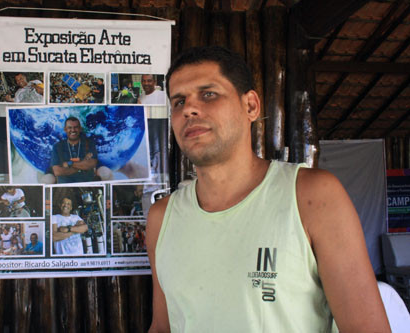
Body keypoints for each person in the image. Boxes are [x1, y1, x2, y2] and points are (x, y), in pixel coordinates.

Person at [146, 46, 390, 332]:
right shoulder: (162, 218)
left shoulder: (312, 196)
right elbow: (163, 326)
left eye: (208, 94)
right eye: (178, 102)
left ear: (250, 106)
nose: (189, 109)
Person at [50, 117, 98, 183]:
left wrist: (69, 164)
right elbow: (57, 171)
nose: (73, 130)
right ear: (65, 129)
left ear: (80, 129)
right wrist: (82, 163)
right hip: (66, 187)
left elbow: (92, 164)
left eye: (76, 127)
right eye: (69, 127)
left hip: (87, 185)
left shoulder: (89, 143)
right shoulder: (58, 146)